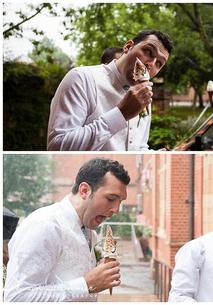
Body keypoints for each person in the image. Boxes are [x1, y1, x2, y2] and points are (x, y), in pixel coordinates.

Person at [4, 158, 130, 301]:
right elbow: (16, 297)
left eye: (120, 201)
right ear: (84, 190)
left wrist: (99, 275)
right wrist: (86, 285)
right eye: (111, 199)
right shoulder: (44, 225)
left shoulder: (90, 231)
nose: (116, 209)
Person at [47, 29, 173, 151]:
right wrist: (121, 114)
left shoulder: (145, 97)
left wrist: (156, 155)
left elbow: (137, 146)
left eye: (159, 64)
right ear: (128, 47)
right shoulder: (81, 78)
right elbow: (57, 147)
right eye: (149, 52)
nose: (151, 64)